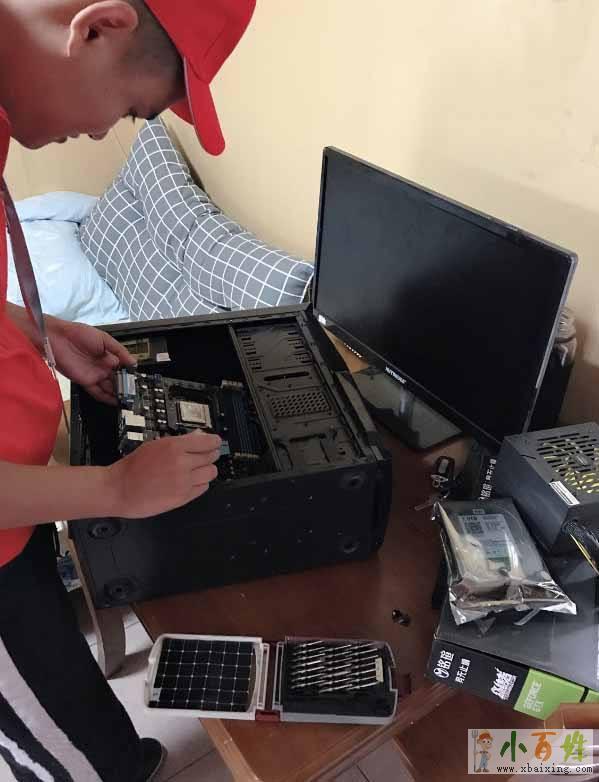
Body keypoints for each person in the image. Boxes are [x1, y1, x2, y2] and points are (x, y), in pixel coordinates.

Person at [0, 0, 255, 779]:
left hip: (18, 511)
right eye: (131, 110)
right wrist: (113, 489)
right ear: (97, 27)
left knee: (72, 688)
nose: (103, 131)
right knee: (71, 759)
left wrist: (36, 329)